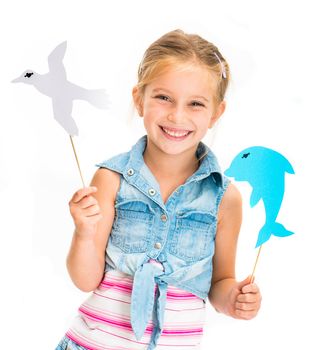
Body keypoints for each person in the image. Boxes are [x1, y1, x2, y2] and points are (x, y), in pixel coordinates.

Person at [55, 29, 262, 350]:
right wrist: (84, 232)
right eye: (163, 97)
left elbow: (219, 284)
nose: (177, 116)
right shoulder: (110, 180)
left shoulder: (225, 198)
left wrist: (234, 298)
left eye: (195, 103)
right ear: (139, 99)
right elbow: (85, 280)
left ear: (216, 113)